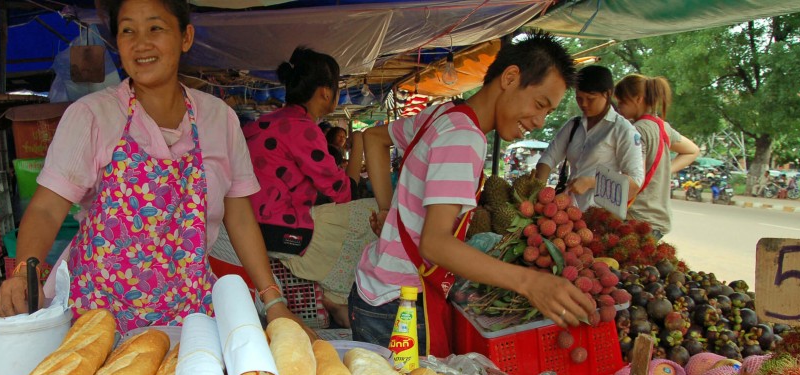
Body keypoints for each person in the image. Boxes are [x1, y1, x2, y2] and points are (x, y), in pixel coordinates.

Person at [0, 0, 308, 338]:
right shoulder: (92, 116)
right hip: (93, 320)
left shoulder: (220, 119)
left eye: (155, 28)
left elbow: (239, 216)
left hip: (189, 322)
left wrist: (272, 300)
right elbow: (45, 208)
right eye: (128, 30)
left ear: (185, 37)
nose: (141, 43)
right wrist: (21, 273)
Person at [350, 32, 596, 356]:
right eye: (539, 105)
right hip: (397, 306)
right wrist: (529, 282)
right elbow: (435, 243)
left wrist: (387, 210)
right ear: (510, 78)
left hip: (373, 290)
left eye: (548, 114)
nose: (539, 121)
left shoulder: (443, 115)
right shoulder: (465, 138)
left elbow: (373, 138)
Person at [243, 47, 377, 328]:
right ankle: (338, 297)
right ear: (326, 92)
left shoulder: (261, 124)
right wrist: (362, 144)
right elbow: (343, 192)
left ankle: (331, 295)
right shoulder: (302, 127)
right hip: (283, 232)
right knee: (375, 213)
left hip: (250, 227)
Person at [535, 65, 643, 211]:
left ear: (608, 94)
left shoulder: (623, 130)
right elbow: (549, 159)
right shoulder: (574, 125)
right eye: (579, 98)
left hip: (599, 215)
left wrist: (591, 182)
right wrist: (538, 192)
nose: (584, 104)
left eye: (591, 99)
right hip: (567, 211)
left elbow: (635, 182)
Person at [611, 74, 699, 240]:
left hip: (637, 218)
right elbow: (692, 150)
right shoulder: (663, 127)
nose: (619, 107)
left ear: (638, 99)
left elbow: (635, 181)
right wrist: (665, 171)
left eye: (622, 101)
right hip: (658, 219)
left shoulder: (637, 131)